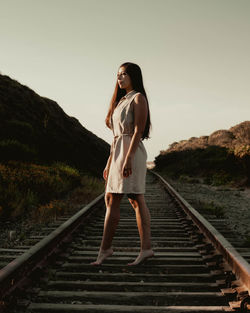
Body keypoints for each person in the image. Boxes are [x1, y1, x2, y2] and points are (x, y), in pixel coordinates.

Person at [91, 62, 154, 266]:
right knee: (111, 198)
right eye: (118, 74)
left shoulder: (138, 98)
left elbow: (137, 131)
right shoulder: (119, 102)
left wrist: (127, 158)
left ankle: (146, 249)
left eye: (124, 74)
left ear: (133, 76)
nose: (120, 78)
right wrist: (110, 161)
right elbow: (116, 137)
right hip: (118, 151)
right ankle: (106, 249)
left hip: (131, 152)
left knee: (135, 198)